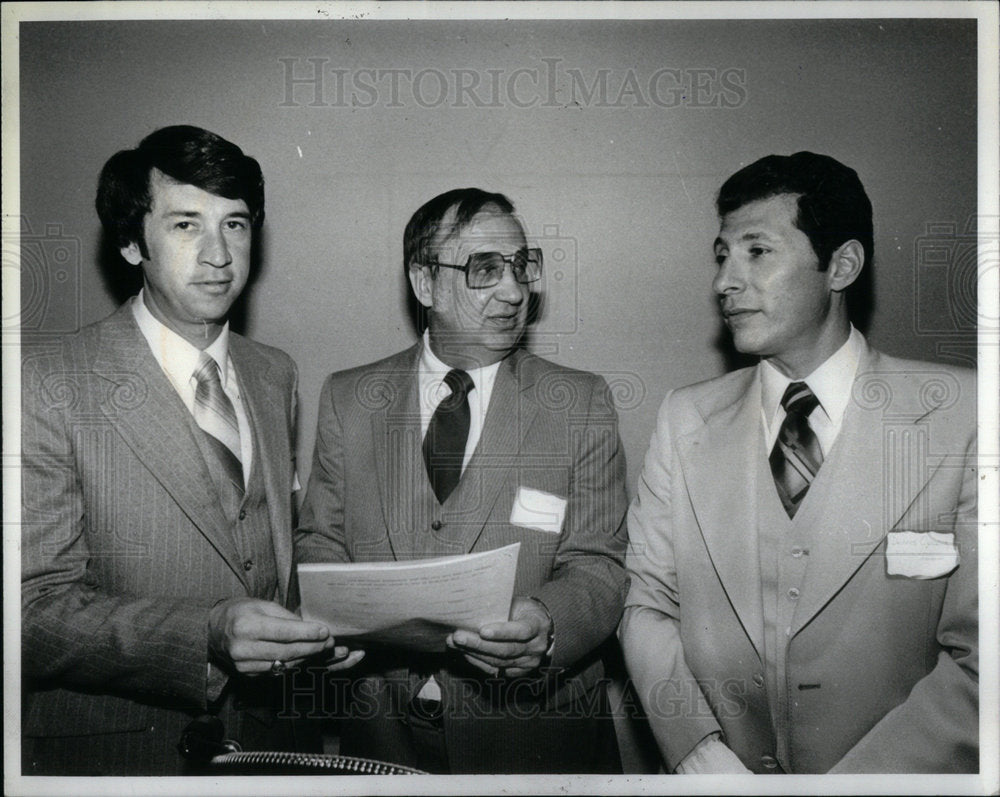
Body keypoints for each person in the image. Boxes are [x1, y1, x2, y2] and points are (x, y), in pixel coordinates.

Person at [621, 152, 977, 774]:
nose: (724, 282)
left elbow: (984, 655)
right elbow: (647, 603)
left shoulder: (965, 414)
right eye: (722, 255)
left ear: (840, 266)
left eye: (757, 252)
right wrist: (700, 755)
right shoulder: (684, 419)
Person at [21, 125, 345, 775]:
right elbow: (31, 612)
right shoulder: (45, 380)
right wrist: (203, 632)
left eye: (236, 224)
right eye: (185, 225)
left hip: (272, 745)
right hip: (123, 755)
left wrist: (332, 625)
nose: (219, 253)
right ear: (129, 240)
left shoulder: (273, 371)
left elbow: (272, 553)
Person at [295, 188, 629, 773]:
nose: (514, 290)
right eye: (485, 269)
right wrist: (323, 624)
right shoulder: (349, 398)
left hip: (538, 743)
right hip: (382, 742)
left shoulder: (580, 401)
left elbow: (600, 564)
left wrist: (547, 625)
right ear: (425, 284)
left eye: (522, 265)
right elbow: (320, 542)